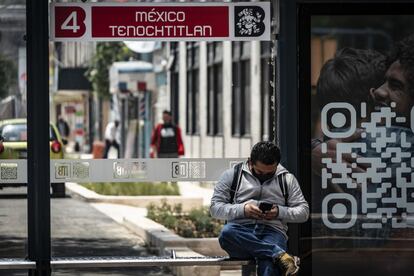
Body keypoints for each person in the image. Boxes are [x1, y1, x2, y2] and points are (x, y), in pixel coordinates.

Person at [210, 141, 309, 276]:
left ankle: (275, 255)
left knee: (269, 263)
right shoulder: (232, 175)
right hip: (240, 232)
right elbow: (215, 208)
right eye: (260, 172)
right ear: (250, 162)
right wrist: (243, 209)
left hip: (272, 231)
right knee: (227, 234)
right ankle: (279, 254)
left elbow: (303, 212)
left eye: (270, 173)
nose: (264, 176)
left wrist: (279, 212)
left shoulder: (287, 179)